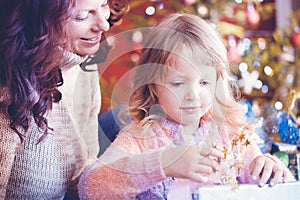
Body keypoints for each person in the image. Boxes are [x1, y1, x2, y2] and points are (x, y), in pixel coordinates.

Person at [78, 12, 295, 199]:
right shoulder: (141, 137)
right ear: (153, 85)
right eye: (178, 83)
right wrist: (163, 163)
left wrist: (270, 168)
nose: (193, 95)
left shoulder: (230, 133)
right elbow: (90, 188)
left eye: (204, 82)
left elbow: (264, 179)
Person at [0, 0, 127, 199]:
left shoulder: (83, 64)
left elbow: (85, 170)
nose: (104, 24)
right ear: (42, 20)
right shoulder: (10, 90)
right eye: (82, 16)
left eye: (104, 4)